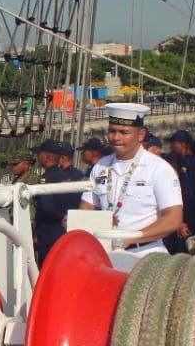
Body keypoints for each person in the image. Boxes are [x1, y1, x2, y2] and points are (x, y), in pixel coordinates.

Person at [78, 102, 182, 256]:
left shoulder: (158, 168)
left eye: (124, 132)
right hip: (107, 254)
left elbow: (173, 219)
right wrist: (76, 221)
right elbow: (86, 207)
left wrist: (130, 238)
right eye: (112, 131)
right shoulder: (101, 166)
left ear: (140, 135)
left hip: (146, 254)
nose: (116, 137)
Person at [30, 140, 85, 264]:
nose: (38, 157)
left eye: (39, 154)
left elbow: (46, 207)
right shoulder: (68, 177)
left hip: (47, 235)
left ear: (46, 156)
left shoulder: (45, 179)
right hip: (66, 232)